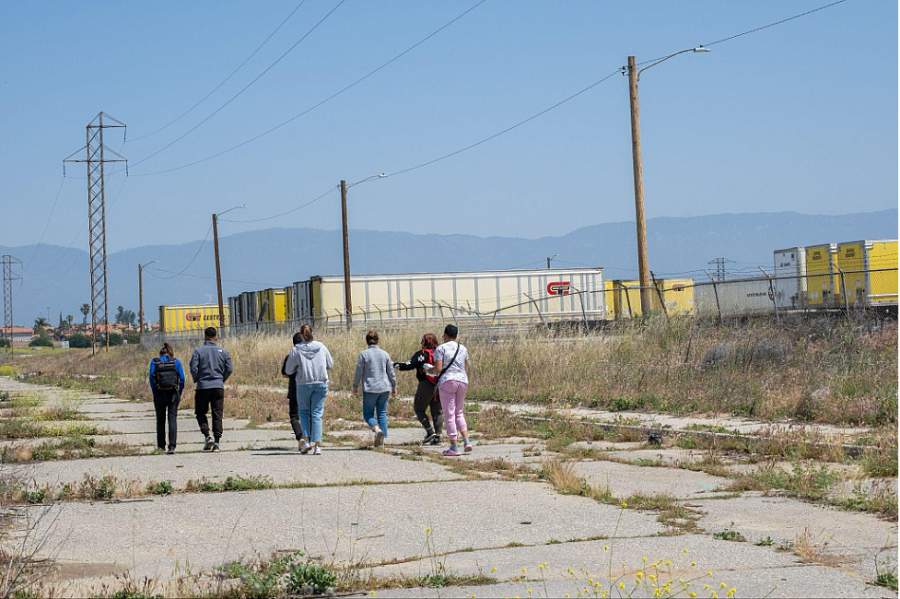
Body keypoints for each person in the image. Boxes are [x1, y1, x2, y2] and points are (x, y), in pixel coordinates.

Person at [284, 324, 333, 455]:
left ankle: (306, 442)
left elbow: (288, 369)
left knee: (304, 413)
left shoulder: (297, 350)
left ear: (301, 335)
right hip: (320, 383)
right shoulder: (321, 347)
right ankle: (317, 446)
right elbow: (330, 364)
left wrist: (298, 368)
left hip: (303, 384)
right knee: (317, 414)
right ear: (312, 333)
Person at [189, 327, 233, 452]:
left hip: (203, 386)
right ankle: (217, 442)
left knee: (201, 412)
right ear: (216, 337)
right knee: (217, 414)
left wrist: (197, 378)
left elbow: (193, 368)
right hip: (218, 387)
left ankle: (207, 436)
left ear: (205, 337)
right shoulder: (223, 351)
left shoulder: (198, 351)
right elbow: (229, 368)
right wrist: (221, 379)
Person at [394, 333, 443, 445]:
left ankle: (429, 431)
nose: (421, 343)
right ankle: (438, 436)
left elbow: (408, 365)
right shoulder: (440, 353)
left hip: (425, 385)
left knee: (419, 409)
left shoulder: (421, 354)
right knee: (437, 411)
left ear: (425, 342)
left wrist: (394, 364)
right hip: (440, 385)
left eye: (422, 341)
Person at [352, 331, 397, 448]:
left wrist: (355, 385)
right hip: (384, 387)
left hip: (370, 388)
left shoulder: (364, 354)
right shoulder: (385, 354)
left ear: (367, 341)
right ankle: (381, 442)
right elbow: (391, 372)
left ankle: (376, 429)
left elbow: (359, 372)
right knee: (382, 413)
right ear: (378, 340)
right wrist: (394, 385)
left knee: (367, 414)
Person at [432, 324, 471, 457]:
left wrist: (428, 370)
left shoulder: (440, 349)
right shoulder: (463, 348)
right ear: (456, 335)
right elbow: (464, 366)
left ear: (445, 335)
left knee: (449, 415)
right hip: (462, 380)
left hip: (447, 381)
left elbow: (438, 369)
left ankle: (454, 446)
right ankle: (466, 441)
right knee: (459, 412)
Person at [148, 343, 185, 454]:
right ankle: (172, 446)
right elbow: (182, 379)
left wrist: (155, 392)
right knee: (172, 419)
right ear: (170, 352)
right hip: (173, 394)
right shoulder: (176, 362)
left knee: (160, 420)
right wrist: (179, 393)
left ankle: (161, 446)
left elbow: (151, 378)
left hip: (159, 394)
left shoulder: (155, 362)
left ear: (160, 353)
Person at [281, 332, 305, 449]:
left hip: (294, 389)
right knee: (308, 415)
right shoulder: (308, 356)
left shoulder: (290, 356)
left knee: (294, 416)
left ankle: (300, 437)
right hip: (306, 388)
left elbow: (284, 373)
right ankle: (308, 438)